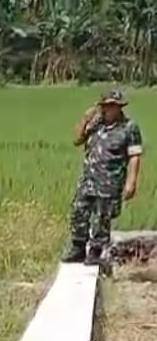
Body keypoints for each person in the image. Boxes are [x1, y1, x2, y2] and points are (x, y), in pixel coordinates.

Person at [62, 89, 144, 267]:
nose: (110, 109)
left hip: (110, 182)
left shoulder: (129, 128)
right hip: (88, 180)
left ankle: (96, 251)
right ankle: (78, 247)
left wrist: (131, 182)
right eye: (106, 105)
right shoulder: (96, 124)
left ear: (120, 107)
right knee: (78, 211)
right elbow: (77, 140)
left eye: (113, 105)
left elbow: (134, 156)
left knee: (102, 217)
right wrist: (85, 119)